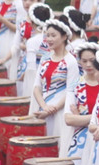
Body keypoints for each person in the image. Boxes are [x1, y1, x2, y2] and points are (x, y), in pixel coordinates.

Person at [30, 13, 81, 145]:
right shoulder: (45, 57)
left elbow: (71, 90)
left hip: (60, 111)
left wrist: (53, 108)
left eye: (53, 35)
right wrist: (44, 107)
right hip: (43, 108)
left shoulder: (71, 61)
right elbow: (36, 86)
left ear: (64, 37)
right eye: (48, 35)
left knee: (57, 146)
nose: (49, 39)